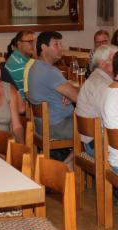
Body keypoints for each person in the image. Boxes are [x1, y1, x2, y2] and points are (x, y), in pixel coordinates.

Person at [27, 31, 79, 162]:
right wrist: (72, 92)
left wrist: (68, 93)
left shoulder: (35, 67)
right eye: (56, 44)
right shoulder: (49, 71)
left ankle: (69, 160)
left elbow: (69, 92)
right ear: (43, 48)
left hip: (43, 124)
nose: (61, 47)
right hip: (58, 126)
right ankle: (69, 164)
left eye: (61, 44)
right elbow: (79, 97)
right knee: (96, 128)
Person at [75, 45, 117, 154]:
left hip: (92, 140)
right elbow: (113, 115)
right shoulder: (101, 84)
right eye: (116, 60)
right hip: (96, 144)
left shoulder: (97, 78)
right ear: (102, 63)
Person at [5, 31, 35, 98]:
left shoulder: (21, 58)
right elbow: (36, 90)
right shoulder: (18, 64)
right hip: (25, 105)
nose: (34, 45)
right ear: (19, 44)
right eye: (30, 42)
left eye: (35, 42)